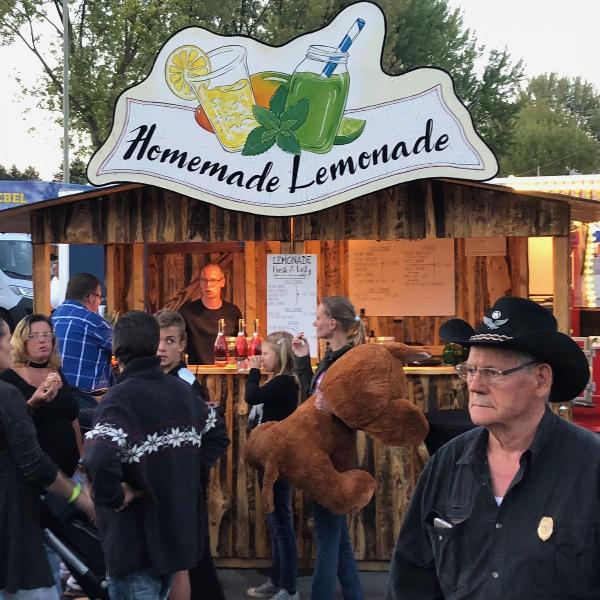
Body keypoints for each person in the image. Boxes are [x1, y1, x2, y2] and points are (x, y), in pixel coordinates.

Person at [386, 296, 600, 599]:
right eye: (470, 370)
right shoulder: (446, 464)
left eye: (492, 372)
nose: (474, 385)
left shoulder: (590, 466)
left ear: (541, 379)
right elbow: (411, 577)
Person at [84, 311, 211, 600]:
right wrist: (184, 469)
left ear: (116, 350)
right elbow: (215, 430)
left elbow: (98, 457)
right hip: (173, 535)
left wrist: (114, 496)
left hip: (134, 544)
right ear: (154, 344)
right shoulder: (183, 392)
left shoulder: (118, 399)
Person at [0, 315, 95, 600]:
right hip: (24, 504)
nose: (42, 340)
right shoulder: (8, 390)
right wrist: (81, 498)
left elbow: (72, 419)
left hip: (63, 473)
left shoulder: (58, 374)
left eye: (47, 334)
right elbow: (33, 461)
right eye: (6, 337)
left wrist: (81, 462)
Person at [291, 296, 366, 600]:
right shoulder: (331, 355)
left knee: (326, 538)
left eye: (318, 317)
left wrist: (336, 409)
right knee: (337, 538)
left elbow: (362, 412)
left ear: (333, 323)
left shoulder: (351, 361)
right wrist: (301, 358)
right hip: (323, 453)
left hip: (335, 458)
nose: (314, 322)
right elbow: (313, 401)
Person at [154, 309, 229, 600]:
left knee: (190, 552)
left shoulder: (185, 383)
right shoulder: (161, 378)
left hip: (184, 481)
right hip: (171, 479)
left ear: (183, 345)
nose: (162, 347)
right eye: (158, 341)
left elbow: (215, 435)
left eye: (170, 341)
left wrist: (191, 466)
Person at [245, 331, 300, 600]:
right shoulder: (278, 381)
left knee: (281, 523)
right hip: (268, 458)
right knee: (275, 520)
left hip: (277, 460)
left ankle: (289, 587)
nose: (261, 358)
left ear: (280, 355)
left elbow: (252, 396)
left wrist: (252, 371)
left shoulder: (285, 383)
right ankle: (277, 580)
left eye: (265, 353)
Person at [51, 273, 113, 430]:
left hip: (55, 396)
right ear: (91, 297)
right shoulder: (93, 321)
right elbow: (126, 347)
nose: (99, 303)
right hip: (86, 401)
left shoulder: (52, 318)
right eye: (100, 298)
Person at [179, 263, 242, 365]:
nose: (208, 285)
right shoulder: (186, 312)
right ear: (200, 283)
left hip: (226, 374)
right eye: (204, 280)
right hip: (196, 374)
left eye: (213, 281)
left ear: (222, 282)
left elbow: (242, 345)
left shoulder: (233, 312)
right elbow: (178, 344)